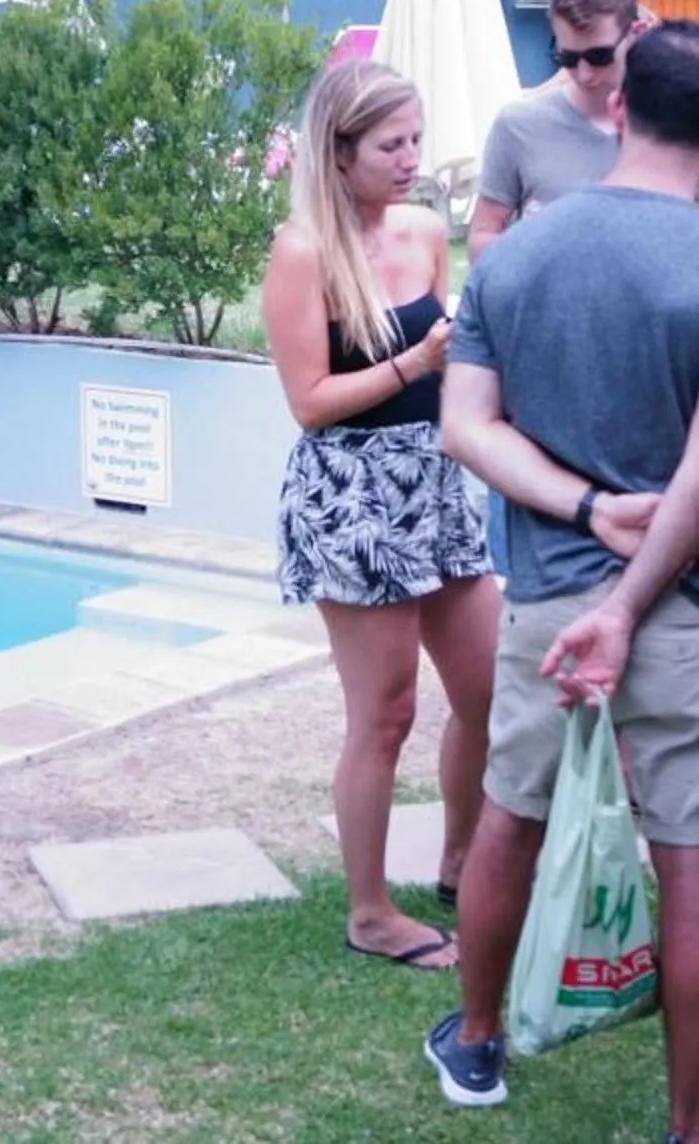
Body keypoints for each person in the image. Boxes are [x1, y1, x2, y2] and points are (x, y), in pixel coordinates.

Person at [426, 21, 699, 1144]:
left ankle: (476, 1040)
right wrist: (628, 590)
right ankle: (691, 1127)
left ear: (619, 104)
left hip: (548, 609)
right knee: (694, 864)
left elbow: (463, 428)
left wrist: (580, 515)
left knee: (508, 823)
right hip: (687, 616)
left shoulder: (516, 255)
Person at [263, 60, 500, 970]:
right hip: (352, 498)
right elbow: (310, 401)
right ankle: (368, 913)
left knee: (488, 691)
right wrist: (416, 364)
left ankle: (459, 857)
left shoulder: (424, 231)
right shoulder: (303, 253)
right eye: (391, 144)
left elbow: (450, 364)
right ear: (340, 149)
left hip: (435, 485)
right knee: (387, 714)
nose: (411, 160)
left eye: (416, 139)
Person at [467, 0, 642, 262]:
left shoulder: (669, 121)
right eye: (568, 59)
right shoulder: (519, 125)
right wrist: (540, 247)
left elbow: (693, 234)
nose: (585, 74)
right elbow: (481, 238)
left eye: (599, 56)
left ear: (634, 33)